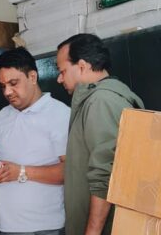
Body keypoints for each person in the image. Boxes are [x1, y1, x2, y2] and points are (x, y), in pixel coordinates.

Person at [0, 47, 70, 235]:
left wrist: (21, 172)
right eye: (2, 86)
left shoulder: (59, 113)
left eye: (13, 83)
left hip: (45, 228)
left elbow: (70, 171)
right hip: (7, 227)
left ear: (32, 77)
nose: (7, 92)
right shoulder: (3, 116)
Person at [56, 34, 144, 235]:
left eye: (62, 71)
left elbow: (105, 175)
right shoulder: (98, 98)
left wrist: (93, 232)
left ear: (82, 66)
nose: (59, 78)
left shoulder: (101, 101)